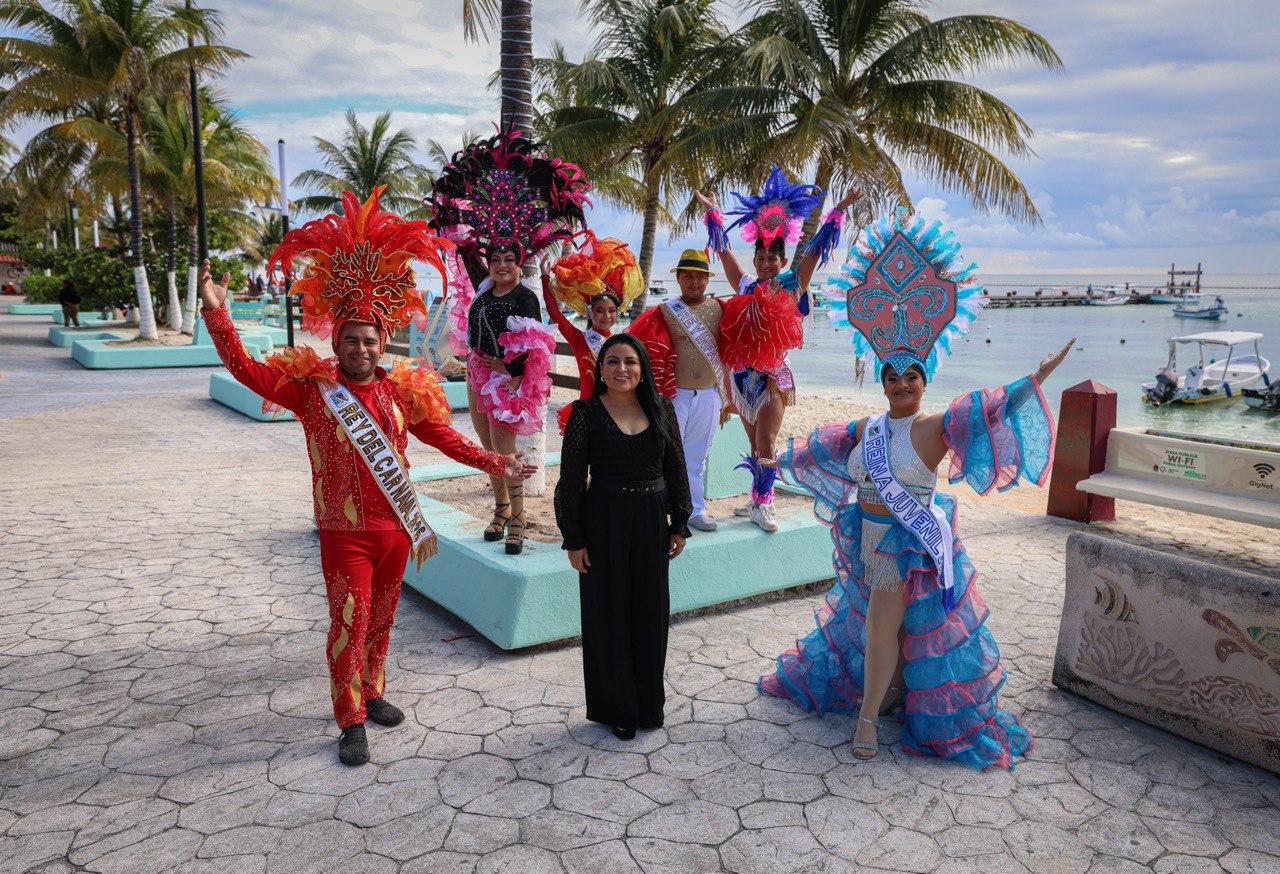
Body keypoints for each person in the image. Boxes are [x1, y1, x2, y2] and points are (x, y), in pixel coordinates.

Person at [200, 189, 536, 767]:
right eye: (351, 339)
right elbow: (245, 369)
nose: (361, 347)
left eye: (370, 339)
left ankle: (374, 690)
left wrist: (496, 462)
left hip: (395, 529)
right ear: (338, 343)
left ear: (384, 343)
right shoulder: (311, 390)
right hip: (344, 532)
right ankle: (349, 717)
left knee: (382, 620)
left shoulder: (401, 388)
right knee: (348, 624)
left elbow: (443, 437)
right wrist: (216, 313)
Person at [759, 207, 1072, 768]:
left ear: (925, 379)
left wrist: (1036, 379)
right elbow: (817, 449)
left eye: (911, 377)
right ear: (881, 381)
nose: (901, 385)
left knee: (881, 625)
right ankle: (894, 694)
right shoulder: (868, 427)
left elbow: (992, 411)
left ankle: (868, 721)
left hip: (907, 542)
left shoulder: (938, 425)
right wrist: (771, 461)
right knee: (893, 627)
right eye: (892, 377)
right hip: (868, 533)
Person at [429, 127, 591, 555]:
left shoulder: (525, 297)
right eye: (495, 258)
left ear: (521, 262)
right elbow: (461, 246)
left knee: (506, 453)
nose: (500, 265)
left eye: (508, 259)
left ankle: (519, 519)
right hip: (478, 373)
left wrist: (513, 371)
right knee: (487, 451)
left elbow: (537, 352)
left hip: (506, 384)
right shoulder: (484, 288)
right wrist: (447, 203)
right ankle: (501, 509)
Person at [696, 170, 862, 532]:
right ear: (755, 259)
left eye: (774, 257)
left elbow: (817, 249)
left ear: (783, 262)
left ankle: (764, 504)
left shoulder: (793, 285)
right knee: (753, 440)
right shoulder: (744, 284)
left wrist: (840, 210)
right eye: (762, 256)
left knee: (768, 440)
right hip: (741, 376)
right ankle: (757, 498)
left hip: (773, 374)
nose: (767, 262)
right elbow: (722, 249)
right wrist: (713, 214)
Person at [554, 334, 691, 740]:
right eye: (612, 362)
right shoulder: (585, 413)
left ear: (642, 368)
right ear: (600, 369)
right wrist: (574, 538)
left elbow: (676, 467)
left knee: (650, 614)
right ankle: (618, 707)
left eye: (630, 362)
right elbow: (572, 480)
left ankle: (649, 706)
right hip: (603, 522)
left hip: (651, 521)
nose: (621, 369)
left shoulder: (662, 409)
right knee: (608, 614)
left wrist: (680, 522)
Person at [628, 248, 727, 532]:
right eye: (688, 276)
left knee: (697, 456)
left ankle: (695, 510)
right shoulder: (665, 311)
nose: (694, 282)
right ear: (679, 279)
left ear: (707, 280)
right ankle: (660, 509)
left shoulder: (721, 309)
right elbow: (637, 340)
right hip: (674, 394)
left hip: (709, 393)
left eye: (699, 276)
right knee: (665, 452)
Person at [542, 232, 644, 433]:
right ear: (590, 312)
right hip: (587, 416)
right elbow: (555, 314)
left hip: (618, 416)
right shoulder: (580, 340)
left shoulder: (623, 344)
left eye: (611, 311)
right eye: (600, 310)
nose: (606, 316)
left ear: (617, 312)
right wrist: (545, 277)